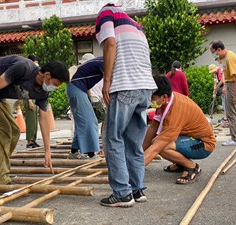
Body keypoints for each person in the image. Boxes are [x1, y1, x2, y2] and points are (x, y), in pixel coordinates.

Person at [0, 55, 69, 184]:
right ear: (47, 75)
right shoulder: (23, 68)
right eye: (55, 84)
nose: (55, 88)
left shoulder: (43, 92)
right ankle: (1, 178)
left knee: (14, 131)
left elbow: (43, 120)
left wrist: (47, 151)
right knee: (2, 132)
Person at [96, 3, 157, 207]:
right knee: (133, 141)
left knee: (112, 138)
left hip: (125, 85)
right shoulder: (136, 25)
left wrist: (106, 81)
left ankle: (122, 194)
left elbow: (110, 43)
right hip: (145, 87)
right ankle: (137, 189)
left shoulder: (106, 13)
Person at [143, 76, 216, 184]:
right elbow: (153, 127)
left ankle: (192, 167)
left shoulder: (176, 111)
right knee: (157, 141)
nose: (150, 100)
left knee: (162, 146)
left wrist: (134, 169)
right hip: (188, 138)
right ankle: (181, 163)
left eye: (152, 97)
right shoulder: (165, 102)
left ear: (164, 97)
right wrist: (140, 153)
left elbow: (156, 147)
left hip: (203, 144)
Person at [66, 56, 104, 159]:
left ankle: (74, 152)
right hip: (77, 89)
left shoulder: (97, 62)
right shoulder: (103, 62)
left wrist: (91, 98)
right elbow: (110, 80)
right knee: (90, 121)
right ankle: (91, 154)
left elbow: (86, 85)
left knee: (82, 122)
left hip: (76, 89)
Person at [209, 40, 236, 146]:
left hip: (233, 85)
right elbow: (226, 75)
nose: (214, 55)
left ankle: (235, 139)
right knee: (235, 112)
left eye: (214, 52)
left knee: (231, 114)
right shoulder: (225, 58)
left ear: (219, 49)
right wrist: (225, 86)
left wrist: (235, 94)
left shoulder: (230, 58)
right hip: (230, 85)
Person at [24, 54, 41, 148]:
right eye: (35, 62)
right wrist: (29, 101)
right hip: (29, 98)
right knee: (30, 121)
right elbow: (26, 88)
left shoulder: (33, 72)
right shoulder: (27, 73)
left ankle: (33, 140)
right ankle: (29, 141)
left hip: (34, 98)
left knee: (34, 121)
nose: (37, 64)